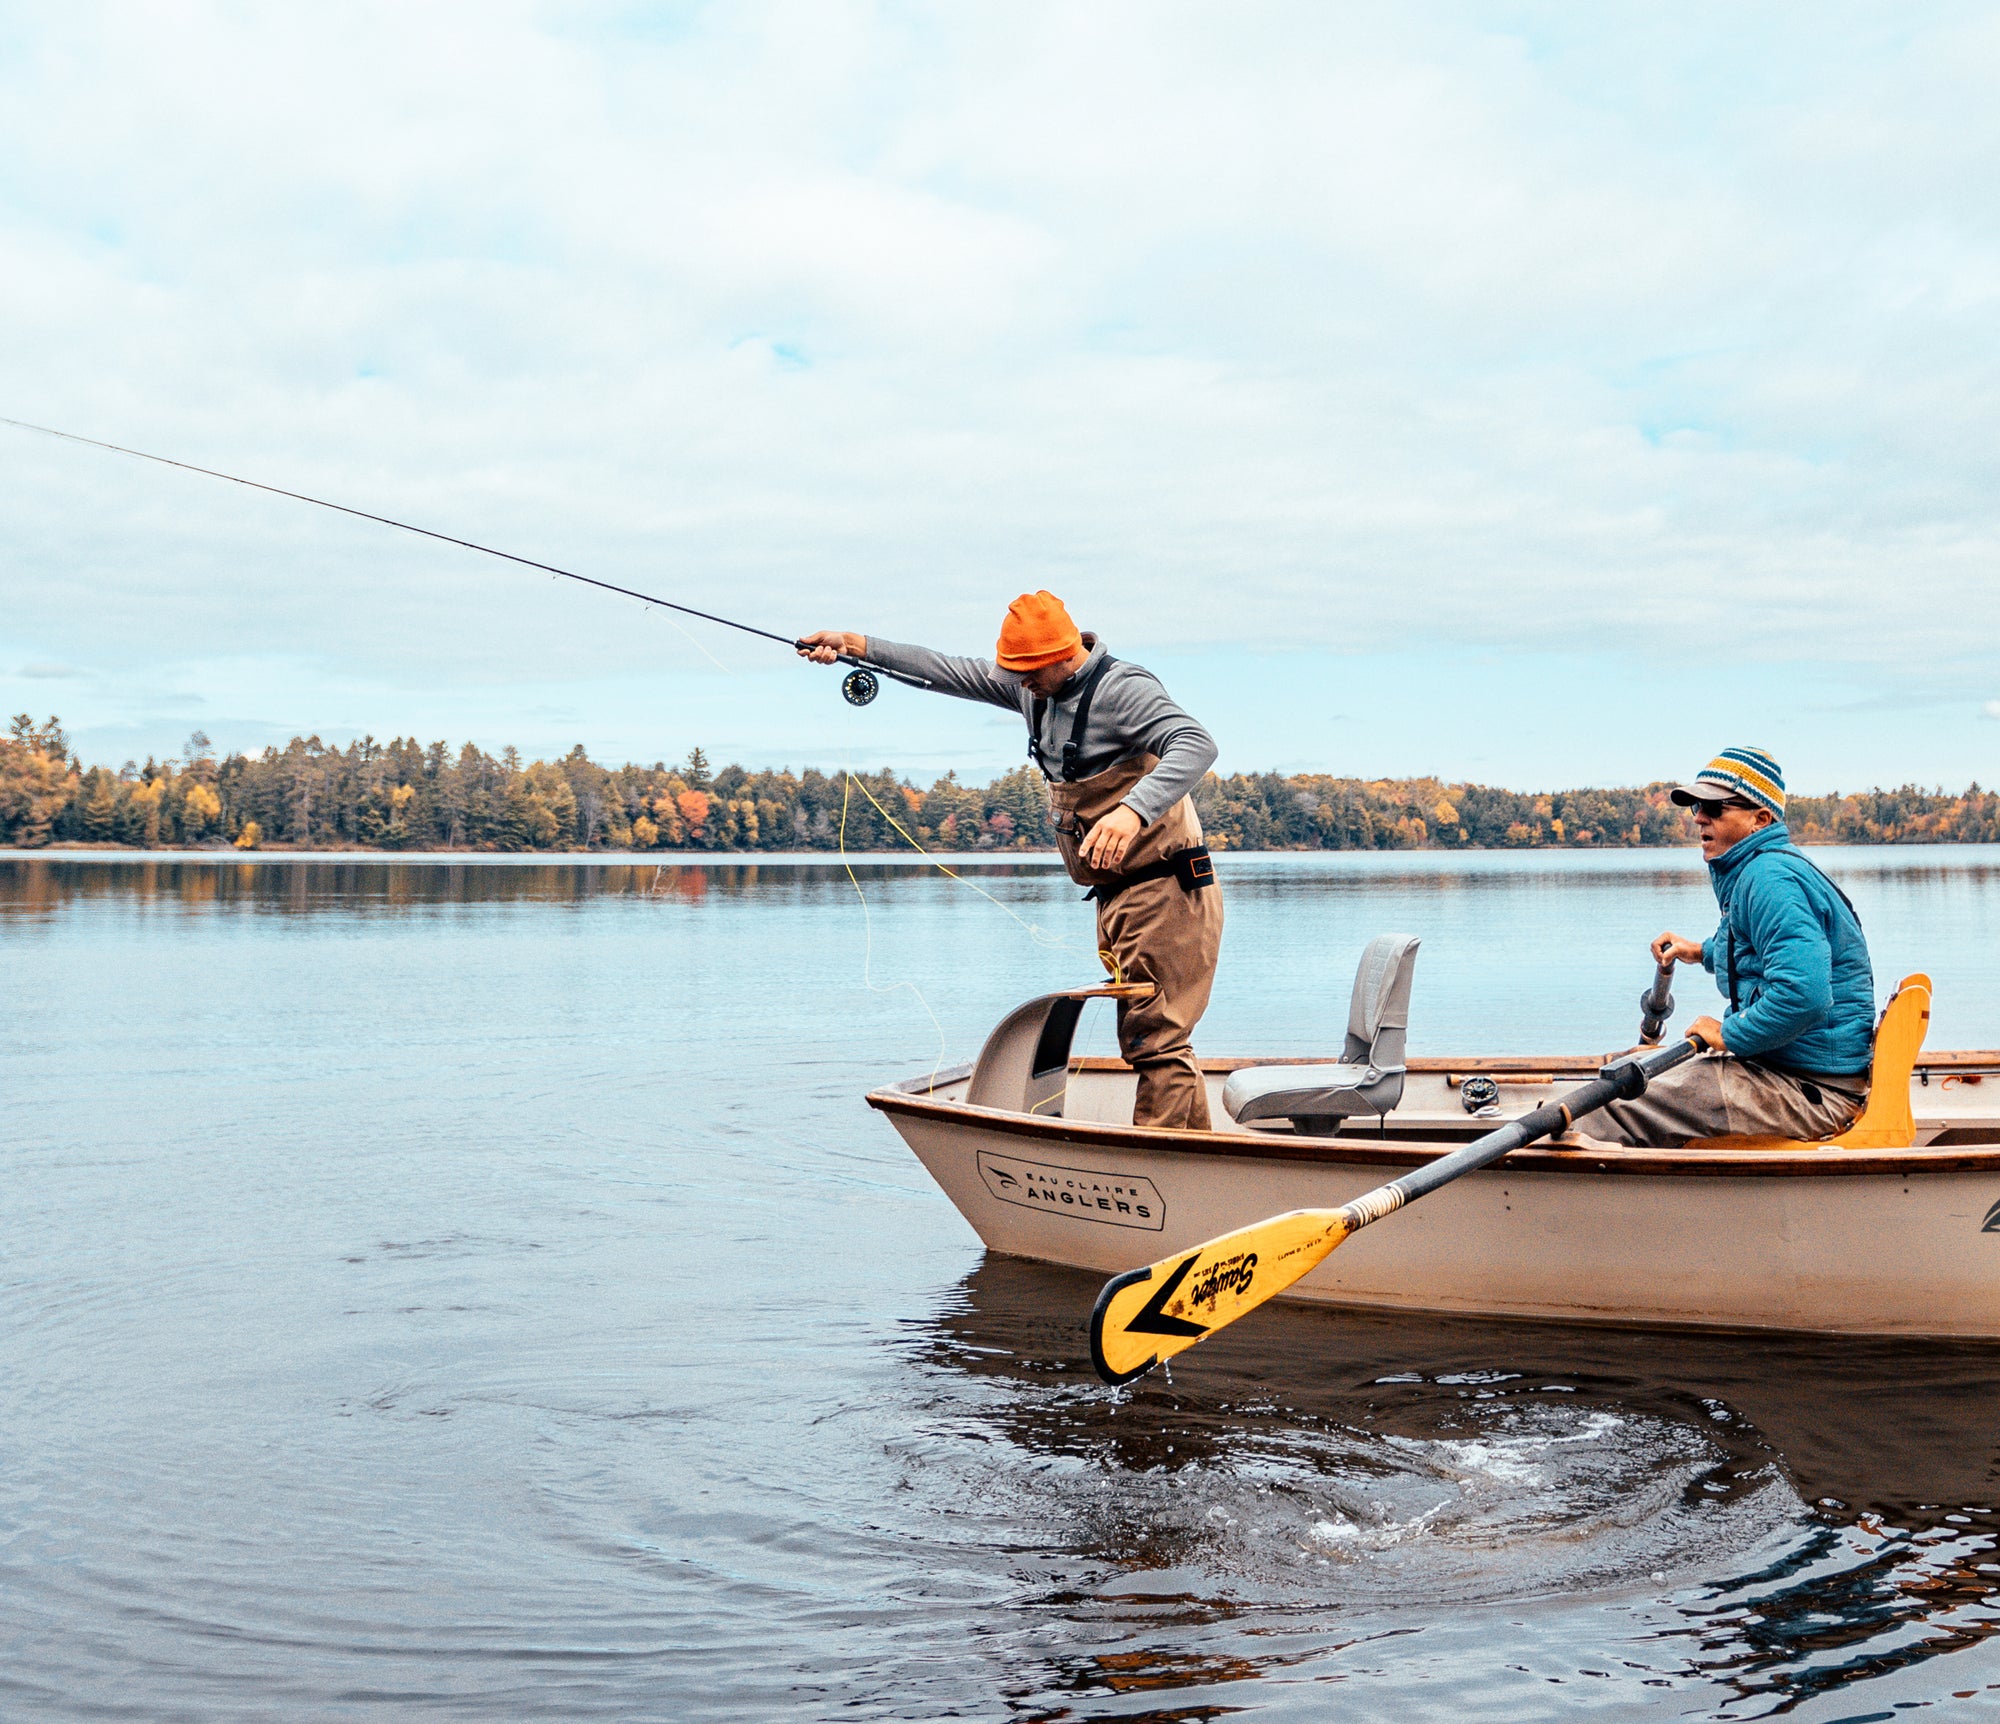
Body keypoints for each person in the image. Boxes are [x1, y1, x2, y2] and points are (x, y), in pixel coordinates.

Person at [798, 593, 1224, 1130]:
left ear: (1061, 655)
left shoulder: (1124, 690)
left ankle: (1164, 1172)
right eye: (1012, 672)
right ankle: (1191, 1163)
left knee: (1157, 1041)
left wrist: (1133, 813)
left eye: (1026, 673)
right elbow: (944, 672)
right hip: (1117, 896)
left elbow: (1195, 742)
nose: (1017, 682)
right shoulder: (1032, 686)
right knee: (1151, 1039)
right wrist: (858, 645)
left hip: (1168, 891)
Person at [1592, 746, 1876, 1147]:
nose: (1700, 818)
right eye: (1695, 806)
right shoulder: (1757, 868)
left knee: (1613, 1100)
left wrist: (1729, 1033)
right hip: (1787, 1069)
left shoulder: (1769, 879)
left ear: (1760, 819)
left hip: (1813, 1090)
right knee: (1623, 1068)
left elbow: (1805, 995)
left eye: (1715, 807)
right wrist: (1700, 952)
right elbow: (1754, 946)